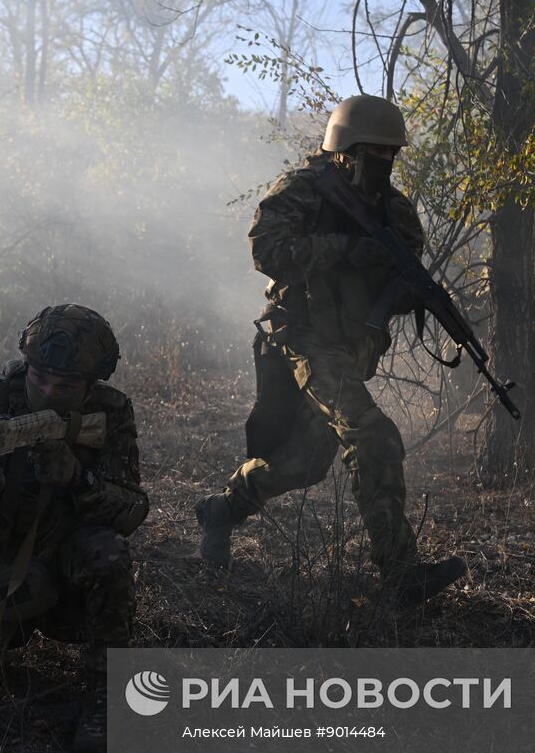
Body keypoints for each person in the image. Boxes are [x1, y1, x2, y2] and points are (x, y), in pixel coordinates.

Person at [194, 94, 466, 607]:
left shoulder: (394, 210)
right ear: (344, 150)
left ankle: (221, 511)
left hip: (347, 345)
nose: (384, 163)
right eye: (374, 154)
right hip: (300, 336)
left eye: (391, 155)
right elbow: (266, 250)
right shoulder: (304, 190)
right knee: (372, 434)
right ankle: (400, 572)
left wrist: (409, 292)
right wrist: (344, 249)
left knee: (304, 464)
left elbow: (398, 278)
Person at [0, 305, 149, 753]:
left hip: (64, 563)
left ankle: (107, 695)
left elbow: (132, 511)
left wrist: (79, 479)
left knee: (109, 553)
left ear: (91, 383)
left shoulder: (109, 411)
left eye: (66, 387)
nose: (48, 393)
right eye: (39, 379)